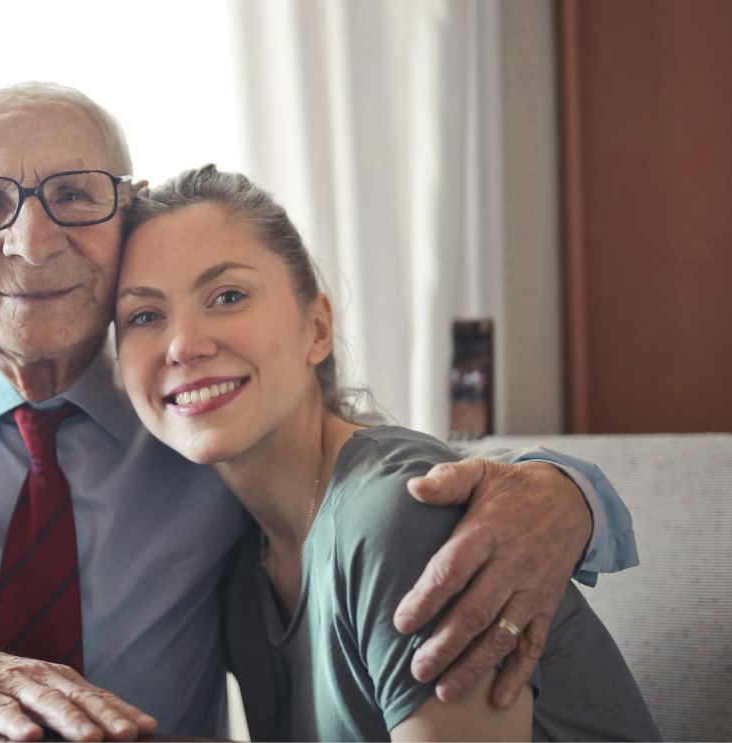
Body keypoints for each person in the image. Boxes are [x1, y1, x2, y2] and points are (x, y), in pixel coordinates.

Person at [0, 83, 639, 742]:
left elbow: (378, 484)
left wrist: (566, 493)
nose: (31, 238)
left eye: (74, 195)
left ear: (119, 226)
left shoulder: (193, 408)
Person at [114, 164, 660, 741]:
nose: (183, 345)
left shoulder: (400, 515)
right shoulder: (243, 572)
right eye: (144, 316)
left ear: (317, 329)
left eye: (228, 295)